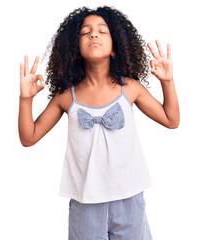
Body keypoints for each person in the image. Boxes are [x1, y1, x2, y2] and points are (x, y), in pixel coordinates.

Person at [18, 6, 180, 240]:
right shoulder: (66, 96)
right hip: (85, 203)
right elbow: (28, 137)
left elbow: (171, 119)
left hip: (129, 198)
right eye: (85, 32)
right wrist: (25, 99)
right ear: (75, 47)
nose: (93, 34)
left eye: (102, 31)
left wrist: (168, 81)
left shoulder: (131, 88)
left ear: (116, 48)